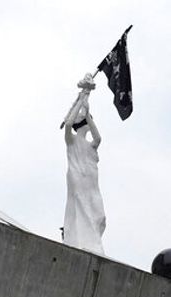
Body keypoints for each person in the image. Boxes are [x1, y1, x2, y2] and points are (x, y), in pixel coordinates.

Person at [62, 73, 107, 255]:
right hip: (77, 178)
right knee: (81, 208)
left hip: (91, 184)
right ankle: (82, 244)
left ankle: (92, 243)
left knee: (99, 215)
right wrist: (81, 99)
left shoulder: (92, 145)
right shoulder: (71, 140)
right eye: (88, 121)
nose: (91, 123)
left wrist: (87, 111)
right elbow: (68, 123)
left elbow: (99, 137)